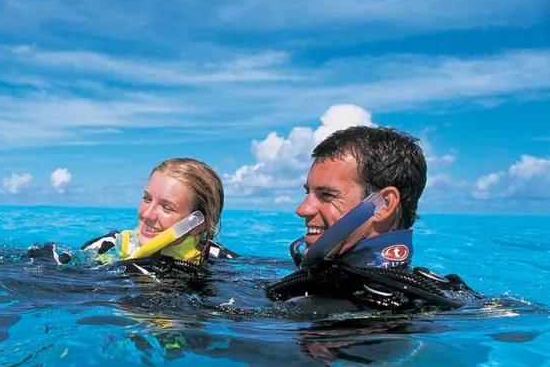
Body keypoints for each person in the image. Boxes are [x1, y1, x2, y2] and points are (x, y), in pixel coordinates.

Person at [264, 125, 481, 315]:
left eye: (327, 195)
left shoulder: (311, 314)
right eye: (308, 193)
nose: (302, 209)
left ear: (383, 206)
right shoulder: (442, 294)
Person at [77, 157, 238, 276]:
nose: (147, 214)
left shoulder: (222, 261)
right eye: (147, 199)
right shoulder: (109, 246)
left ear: (197, 223)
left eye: (167, 207)